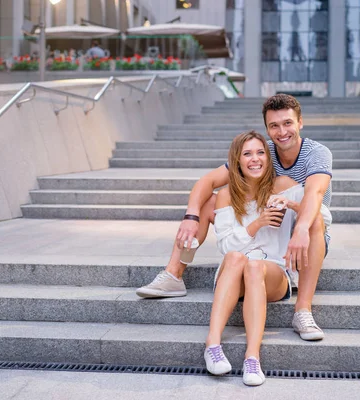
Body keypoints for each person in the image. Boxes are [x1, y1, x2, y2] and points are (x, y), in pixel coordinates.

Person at [136, 94, 333, 341]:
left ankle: (302, 309)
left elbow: (315, 194)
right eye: (274, 125)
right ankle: (174, 274)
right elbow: (207, 181)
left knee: (313, 220)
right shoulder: (262, 150)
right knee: (208, 201)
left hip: (308, 228)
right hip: (267, 223)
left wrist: (300, 227)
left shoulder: (317, 153)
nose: (282, 131)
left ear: (300, 123)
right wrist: (191, 216)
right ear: (267, 129)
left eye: (288, 123)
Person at [203, 131, 332, 386]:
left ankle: (253, 357)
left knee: (253, 266)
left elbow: (323, 218)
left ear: (267, 157)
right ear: (236, 160)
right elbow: (225, 245)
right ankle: (212, 345)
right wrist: (257, 224)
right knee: (236, 258)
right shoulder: (227, 195)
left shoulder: (284, 185)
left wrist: (294, 205)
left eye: (260, 152)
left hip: (271, 273)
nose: (255, 159)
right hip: (234, 273)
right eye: (247, 154)